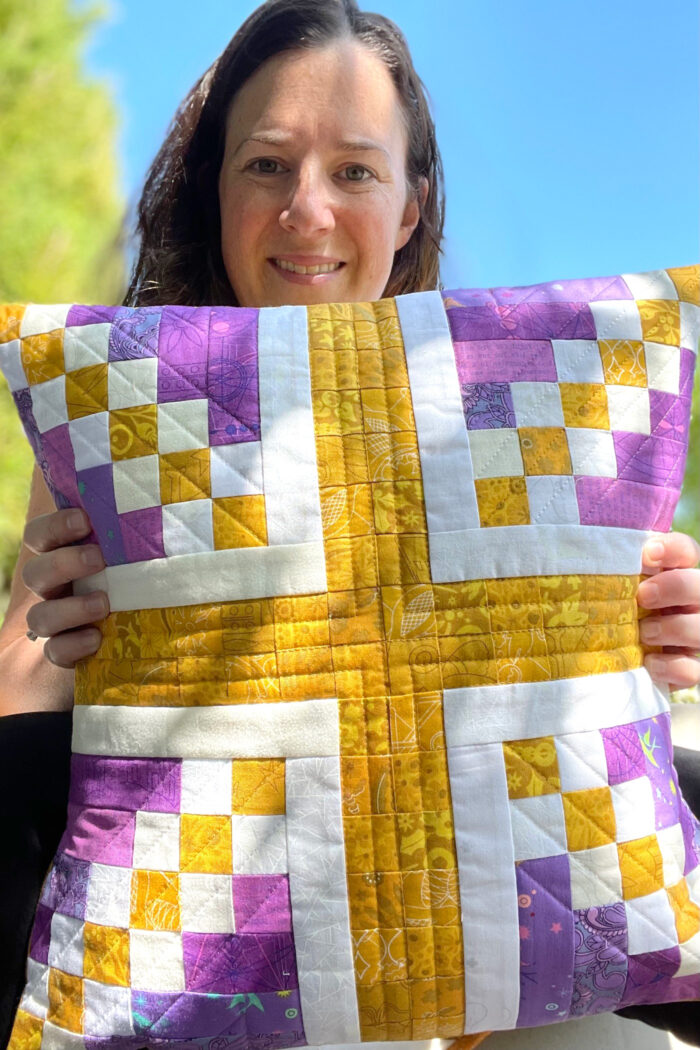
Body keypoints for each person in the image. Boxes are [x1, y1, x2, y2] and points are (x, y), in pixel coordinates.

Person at [0, 1, 699, 1046]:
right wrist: (30, 656)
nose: (309, 212)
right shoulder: (108, 424)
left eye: (356, 172)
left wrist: (663, 642)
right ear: (216, 191)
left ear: (412, 206)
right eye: (268, 165)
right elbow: (31, 763)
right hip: (196, 967)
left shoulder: (521, 425)